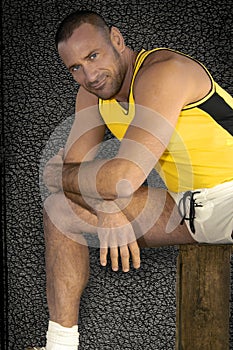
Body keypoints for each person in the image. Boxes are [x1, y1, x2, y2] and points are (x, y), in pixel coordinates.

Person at [26, 9, 233, 350]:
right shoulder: (93, 95)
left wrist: (78, 179)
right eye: (75, 67)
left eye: (93, 55)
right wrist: (105, 204)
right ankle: (59, 345)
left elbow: (117, 177)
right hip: (187, 207)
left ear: (117, 40)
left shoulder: (164, 73)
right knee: (59, 211)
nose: (89, 75)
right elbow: (71, 184)